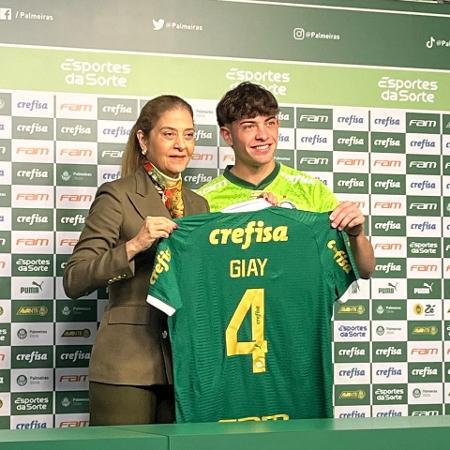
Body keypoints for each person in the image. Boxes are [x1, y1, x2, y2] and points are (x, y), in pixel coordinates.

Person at [63, 95, 209, 426]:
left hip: (185, 366)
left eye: (189, 134)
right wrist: (134, 245)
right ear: (143, 139)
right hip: (125, 366)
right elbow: (75, 279)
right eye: (169, 134)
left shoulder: (199, 205)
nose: (181, 145)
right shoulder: (116, 194)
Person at [197, 82, 375, 278]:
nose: (263, 135)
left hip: (300, 308)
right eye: (249, 126)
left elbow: (365, 270)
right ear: (227, 135)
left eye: (270, 123)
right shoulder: (202, 200)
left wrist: (355, 235)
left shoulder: (312, 190)